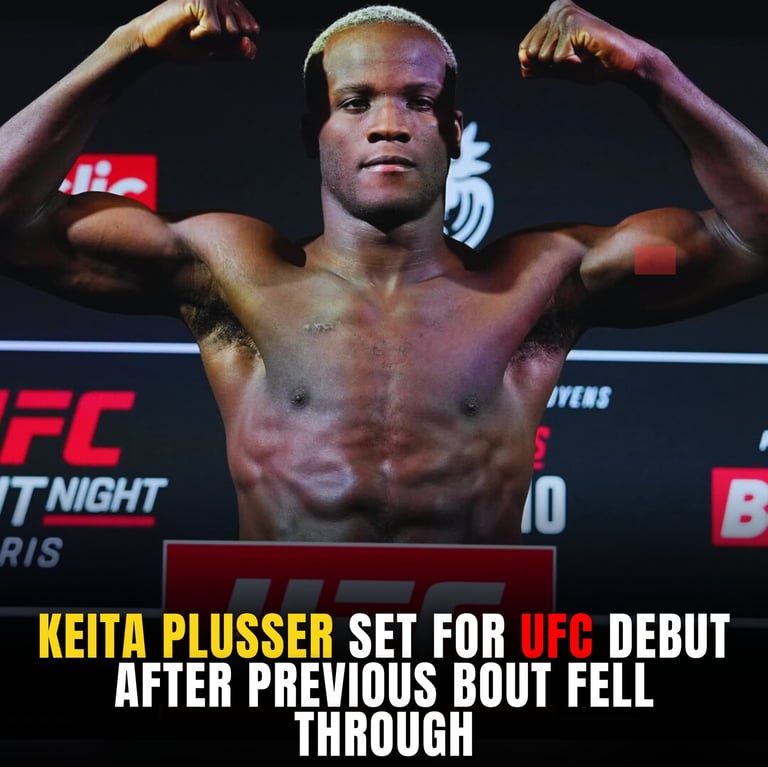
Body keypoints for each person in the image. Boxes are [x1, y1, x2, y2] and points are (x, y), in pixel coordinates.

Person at [0, 0, 766, 545]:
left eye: (419, 101)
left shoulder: (541, 281)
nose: (389, 124)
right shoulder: (231, 272)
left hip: (467, 674)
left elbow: (755, 235)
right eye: (356, 102)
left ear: (454, 134)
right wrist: (126, 47)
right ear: (314, 132)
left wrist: (654, 73)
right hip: (279, 663)